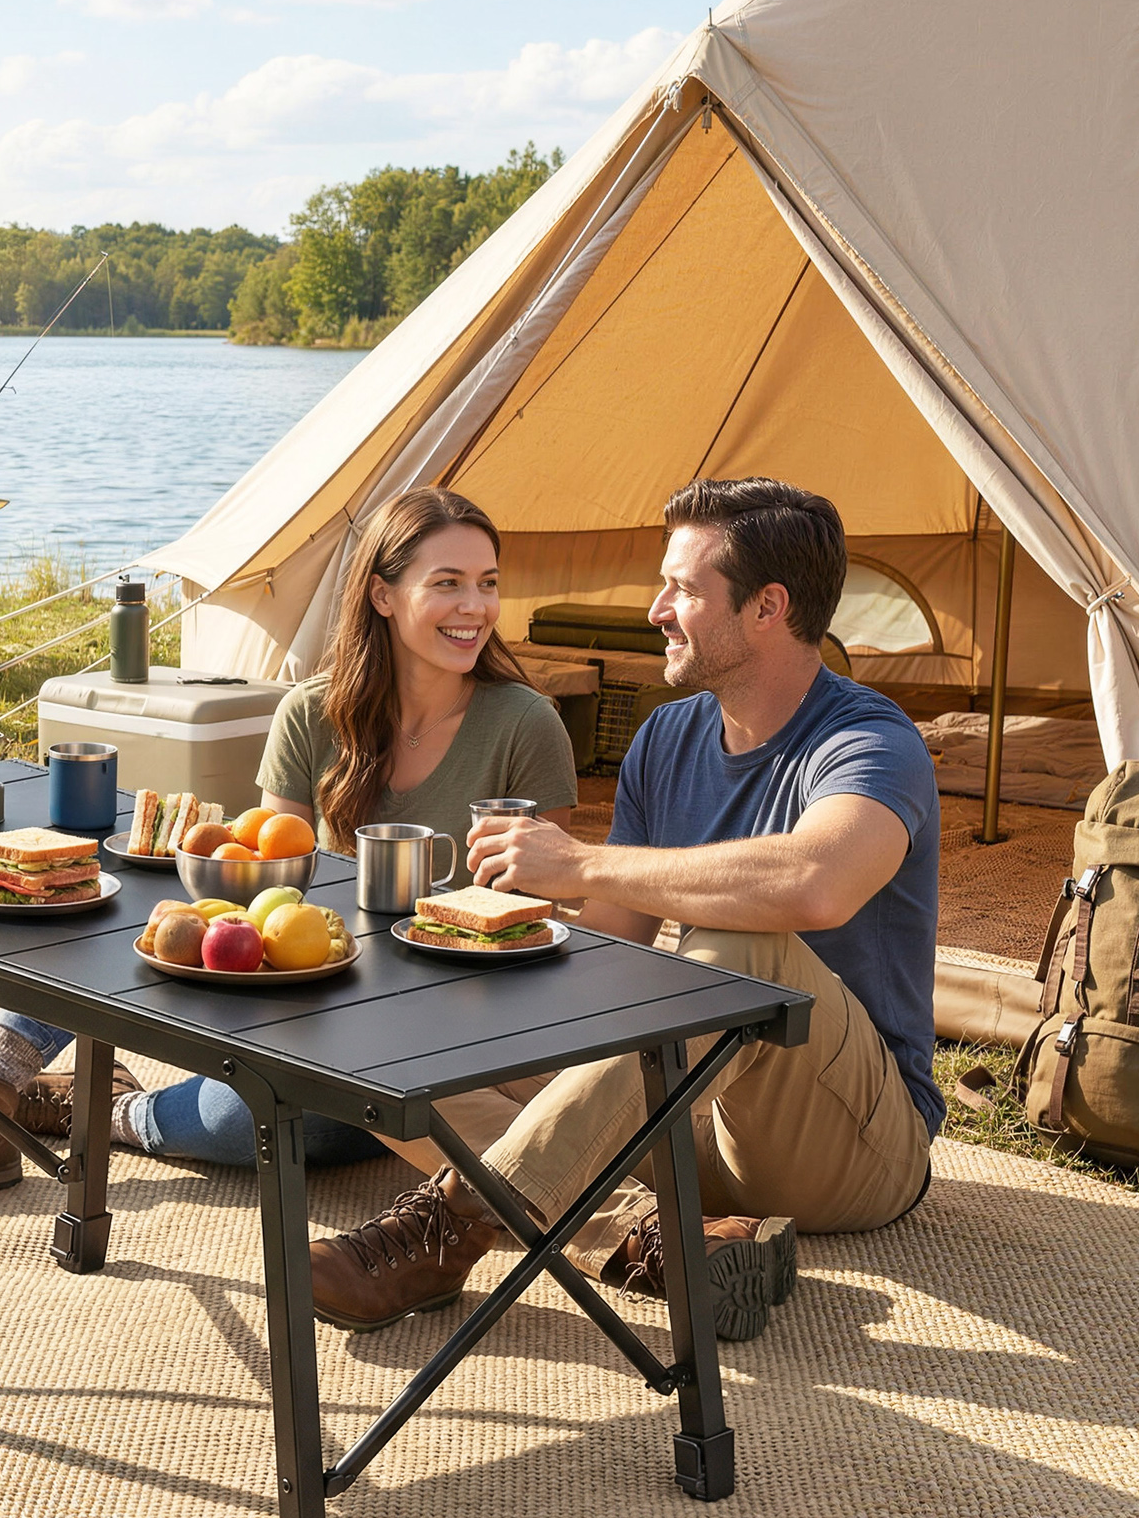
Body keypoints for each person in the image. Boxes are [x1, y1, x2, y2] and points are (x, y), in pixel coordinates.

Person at [306, 477, 940, 1345]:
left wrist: (581, 862)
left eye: (682, 588)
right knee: (385, 1037)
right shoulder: (668, 736)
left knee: (733, 943)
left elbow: (814, 884)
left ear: (768, 608)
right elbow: (609, 948)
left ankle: (448, 1229)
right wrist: (465, 963)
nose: (656, 610)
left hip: (847, 1141)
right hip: (688, 1111)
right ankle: (661, 1241)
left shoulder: (871, 741)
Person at [0, 486, 579, 1205]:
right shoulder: (313, 712)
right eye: (446, 583)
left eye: (487, 584)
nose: (475, 608)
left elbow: (549, 912)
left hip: (443, 1016)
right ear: (383, 596)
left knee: (263, 1125)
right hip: (320, 981)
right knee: (130, 910)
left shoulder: (525, 724)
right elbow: (258, 877)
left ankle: (96, 1109)